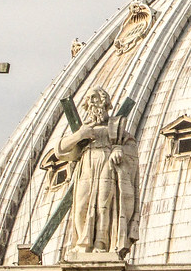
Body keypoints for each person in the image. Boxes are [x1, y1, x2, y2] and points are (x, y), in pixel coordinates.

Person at [56, 87, 140, 257]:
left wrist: (118, 150)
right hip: (87, 164)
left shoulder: (116, 127)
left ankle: (101, 242)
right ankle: (83, 243)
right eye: (89, 99)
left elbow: (131, 147)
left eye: (95, 98)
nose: (92, 102)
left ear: (105, 102)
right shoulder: (83, 128)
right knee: (81, 206)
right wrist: (80, 135)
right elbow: (60, 150)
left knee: (104, 203)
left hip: (107, 165)